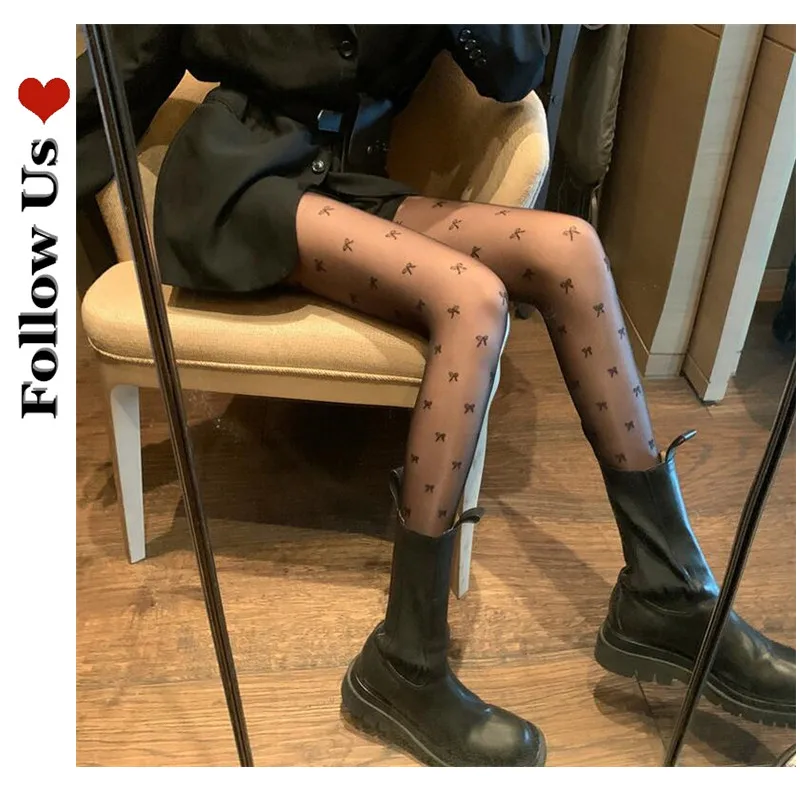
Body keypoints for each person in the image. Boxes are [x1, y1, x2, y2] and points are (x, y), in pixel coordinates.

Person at [77, 25, 795, 767]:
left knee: (571, 249)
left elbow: (514, 72)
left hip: (344, 185)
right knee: (472, 299)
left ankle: (667, 588)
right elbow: (132, 54)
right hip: (236, 187)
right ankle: (404, 660)